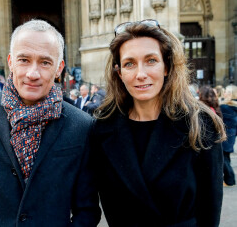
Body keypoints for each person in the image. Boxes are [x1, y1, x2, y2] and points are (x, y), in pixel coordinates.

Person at [0, 19, 100, 226]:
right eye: (24, 60)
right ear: (10, 62)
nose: (32, 74)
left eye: (45, 62)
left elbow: (87, 209)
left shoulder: (81, 125)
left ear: (59, 68)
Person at [92, 20, 226, 227]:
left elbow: (210, 210)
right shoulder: (102, 128)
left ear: (167, 66)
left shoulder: (200, 124)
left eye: (151, 60)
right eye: (129, 64)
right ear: (120, 74)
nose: (140, 74)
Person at [220, 84, 237, 186]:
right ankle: (228, 178)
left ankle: (230, 180)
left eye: (226, 91)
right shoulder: (234, 107)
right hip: (231, 136)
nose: (224, 92)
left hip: (226, 136)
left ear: (230, 94)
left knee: (223, 158)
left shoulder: (225, 107)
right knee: (226, 157)